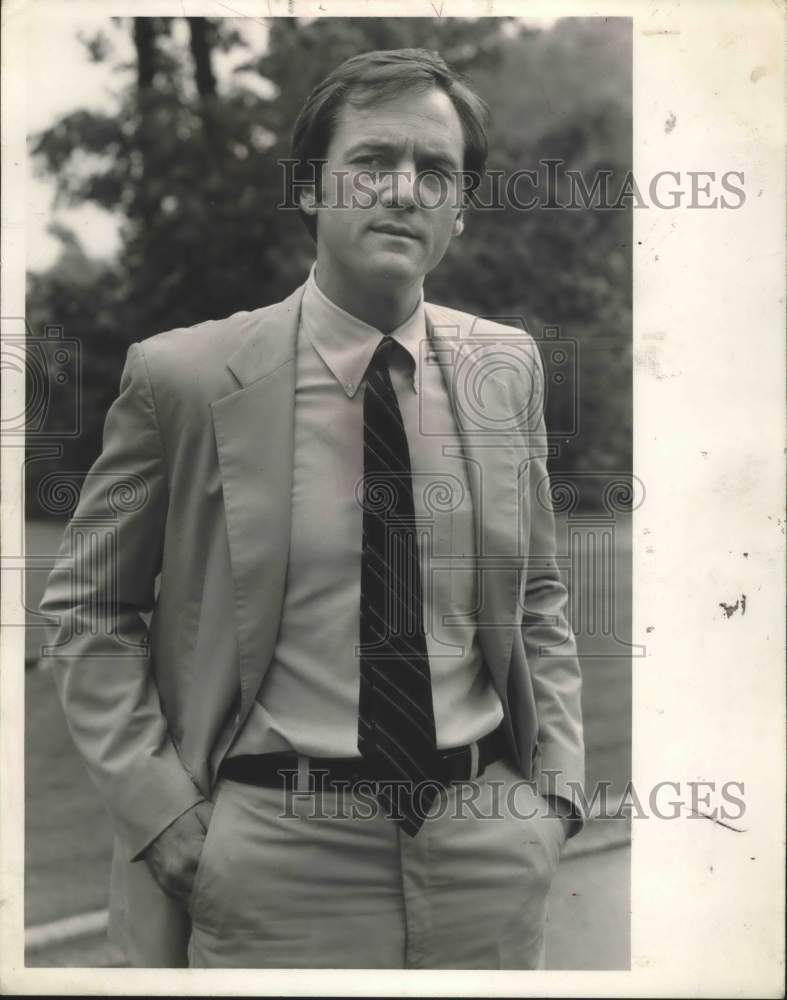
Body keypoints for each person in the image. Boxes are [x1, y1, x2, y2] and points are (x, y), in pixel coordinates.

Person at [40, 47, 585, 969]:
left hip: (485, 848)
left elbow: (535, 591)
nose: (403, 189)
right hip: (274, 862)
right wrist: (163, 813)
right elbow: (89, 610)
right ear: (310, 189)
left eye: (435, 172)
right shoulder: (183, 376)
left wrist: (556, 792)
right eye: (372, 162)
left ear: (459, 210)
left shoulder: (508, 367)